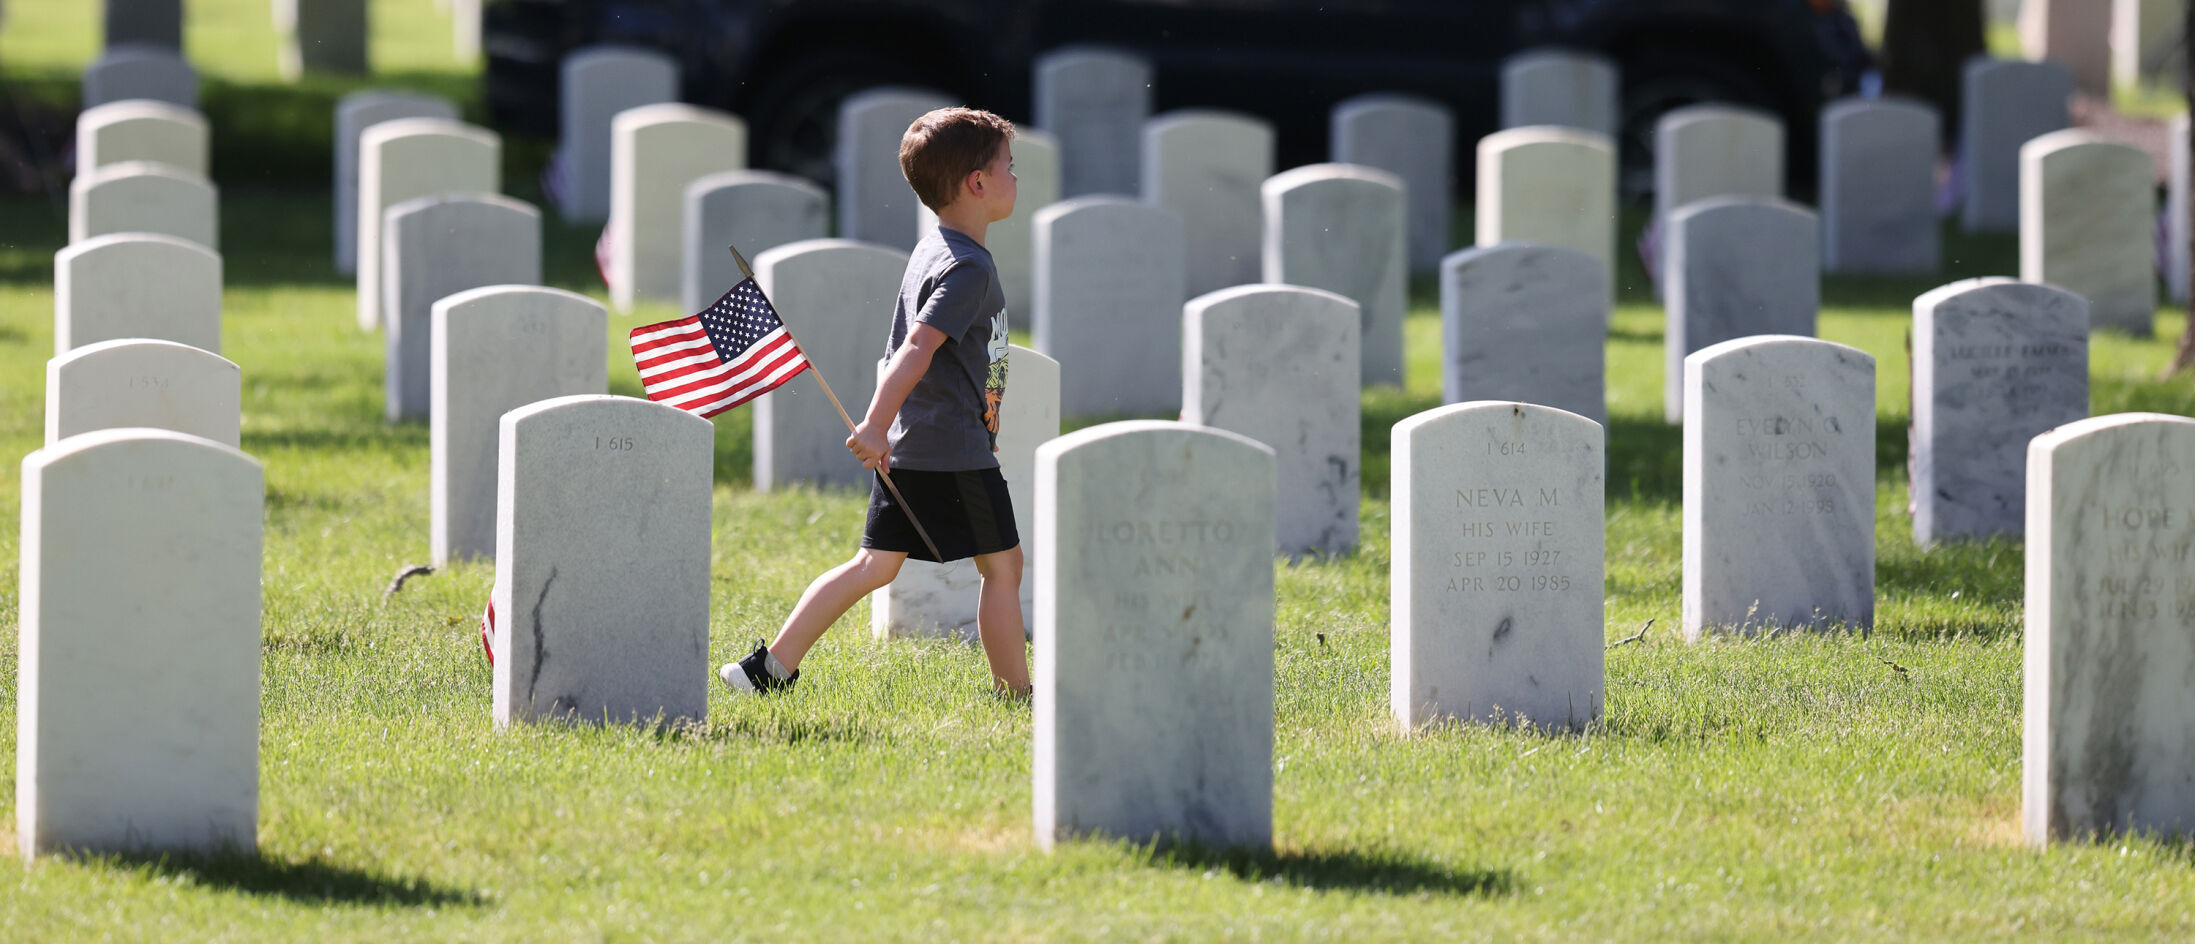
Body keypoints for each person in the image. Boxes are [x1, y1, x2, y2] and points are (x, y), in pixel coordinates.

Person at [720, 107, 1030, 697]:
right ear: (978, 182)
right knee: (1003, 567)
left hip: (916, 446)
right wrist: (874, 424)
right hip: (955, 451)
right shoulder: (967, 268)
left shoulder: (932, 248)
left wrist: (886, 428)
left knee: (874, 567)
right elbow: (915, 349)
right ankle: (1016, 691)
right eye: (1008, 168)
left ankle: (769, 668)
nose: (1016, 179)